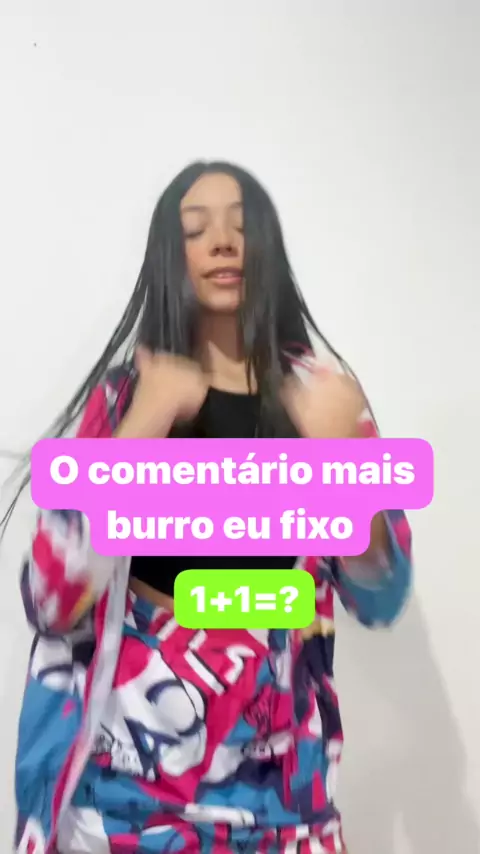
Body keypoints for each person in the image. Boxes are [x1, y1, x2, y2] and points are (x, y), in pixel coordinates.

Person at [12, 161, 412, 854]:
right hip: (127, 813)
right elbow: (49, 600)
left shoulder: (322, 405)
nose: (223, 241)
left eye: (241, 226)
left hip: (285, 812)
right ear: (172, 256)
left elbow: (382, 597)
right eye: (197, 229)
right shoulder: (127, 403)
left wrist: (345, 468)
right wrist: (145, 425)